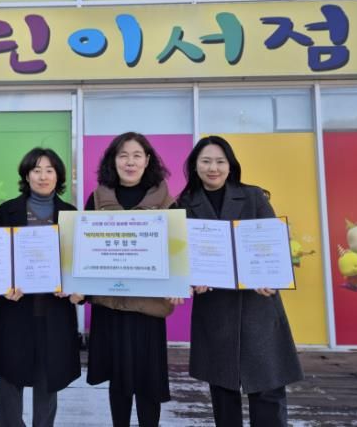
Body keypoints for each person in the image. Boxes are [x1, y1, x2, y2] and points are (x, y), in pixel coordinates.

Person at [175, 135, 303, 427]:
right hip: (215, 307)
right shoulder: (184, 204)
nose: (213, 168)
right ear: (195, 166)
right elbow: (180, 254)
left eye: (220, 161)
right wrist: (191, 278)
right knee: (223, 390)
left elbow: (272, 245)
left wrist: (271, 276)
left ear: (230, 165)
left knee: (268, 387)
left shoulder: (254, 196)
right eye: (206, 161)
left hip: (258, 305)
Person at [77, 132, 178, 427]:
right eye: (123, 156)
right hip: (111, 305)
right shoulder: (98, 198)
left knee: (148, 382)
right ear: (113, 161)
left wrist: (177, 283)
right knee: (118, 380)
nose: (130, 162)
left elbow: (176, 249)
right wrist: (80, 288)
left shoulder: (166, 201)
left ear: (147, 160)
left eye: (136, 155)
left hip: (149, 308)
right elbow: (84, 247)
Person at [0, 147, 81, 427]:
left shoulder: (70, 214)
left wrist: (74, 287)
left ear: (58, 175)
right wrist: (1, 284)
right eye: (36, 170)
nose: (43, 176)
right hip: (14, 310)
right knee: (10, 378)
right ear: (27, 175)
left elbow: (78, 263)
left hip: (54, 311)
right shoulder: (8, 210)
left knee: (48, 381)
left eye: (49, 170)